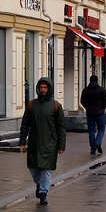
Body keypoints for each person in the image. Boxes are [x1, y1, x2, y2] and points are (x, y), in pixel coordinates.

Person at [20, 76, 66, 205]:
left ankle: (43, 193)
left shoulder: (56, 105)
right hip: (34, 143)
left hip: (50, 144)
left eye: (45, 87)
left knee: (46, 169)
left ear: (49, 89)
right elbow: (25, 125)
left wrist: (61, 145)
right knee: (33, 169)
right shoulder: (31, 104)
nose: (43, 90)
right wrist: (22, 142)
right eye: (41, 87)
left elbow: (61, 127)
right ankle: (40, 185)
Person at [80, 74, 106, 155]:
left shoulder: (85, 90)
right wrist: (102, 108)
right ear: (97, 81)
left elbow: (82, 101)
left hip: (90, 113)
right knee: (101, 129)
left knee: (91, 131)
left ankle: (93, 149)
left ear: (90, 81)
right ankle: (98, 142)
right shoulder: (101, 89)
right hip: (100, 113)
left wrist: (87, 108)